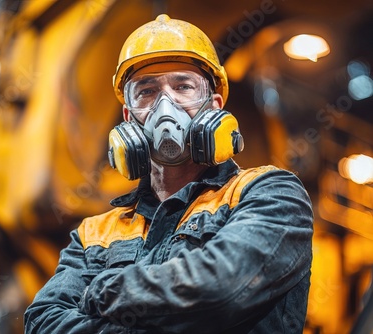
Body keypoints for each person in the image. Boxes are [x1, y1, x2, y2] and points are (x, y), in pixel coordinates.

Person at [24, 14, 313, 333]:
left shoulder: (270, 193)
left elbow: (220, 292)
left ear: (215, 106)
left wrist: (105, 291)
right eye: (146, 91)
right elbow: (43, 322)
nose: (166, 104)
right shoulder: (93, 232)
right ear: (128, 116)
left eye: (183, 86)